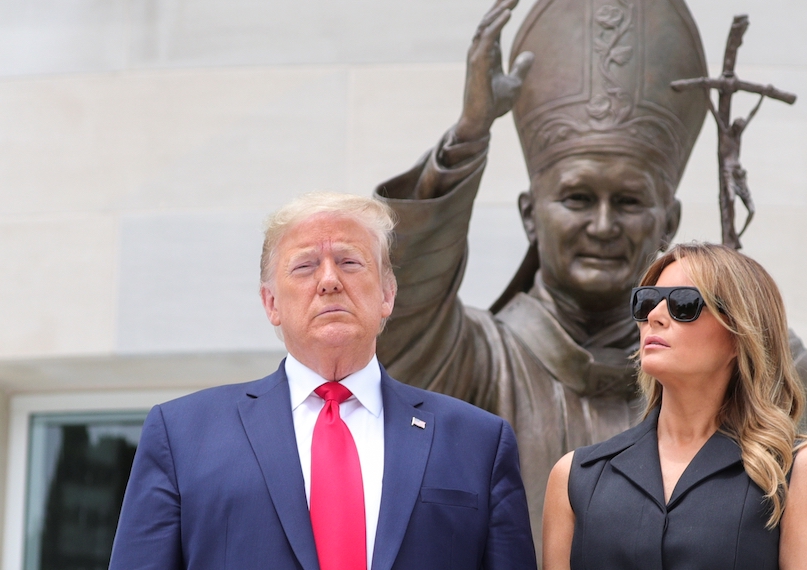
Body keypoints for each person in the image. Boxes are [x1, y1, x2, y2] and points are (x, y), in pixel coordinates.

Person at [375, 0, 807, 567]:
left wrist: (755, 329)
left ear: (668, 221)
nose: (602, 225)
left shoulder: (748, 399)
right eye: (577, 198)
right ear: (530, 212)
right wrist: (467, 139)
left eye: (629, 201)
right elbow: (398, 314)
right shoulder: (476, 360)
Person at [109, 192, 536, 570]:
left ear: (387, 294)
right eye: (305, 266)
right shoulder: (183, 436)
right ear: (271, 302)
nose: (329, 280)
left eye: (349, 262)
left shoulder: (478, 442)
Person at [542, 243, 807, 569]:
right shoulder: (576, 476)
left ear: (739, 334)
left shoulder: (793, 471)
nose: (654, 317)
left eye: (684, 304)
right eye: (647, 302)